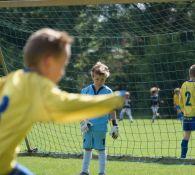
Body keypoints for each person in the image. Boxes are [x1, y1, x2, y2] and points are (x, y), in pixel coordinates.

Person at [0, 28, 124, 175]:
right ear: (48, 62)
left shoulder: (14, 77)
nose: (63, 72)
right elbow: (66, 105)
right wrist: (114, 99)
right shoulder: (39, 87)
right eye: (62, 65)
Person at [80, 62, 119, 175]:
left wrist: (115, 125)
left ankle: (102, 172)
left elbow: (112, 110)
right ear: (92, 76)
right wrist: (83, 121)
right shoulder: (85, 91)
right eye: (97, 79)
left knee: (101, 149)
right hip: (87, 126)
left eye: (102, 79)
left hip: (101, 126)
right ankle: (84, 171)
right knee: (87, 148)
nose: (99, 81)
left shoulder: (108, 92)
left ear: (105, 78)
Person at [180, 64, 195, 158]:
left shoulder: (184, 84)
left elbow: (180, 101)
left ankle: (182, 156)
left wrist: (184, 111)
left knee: (186, 137)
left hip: (187, 115)